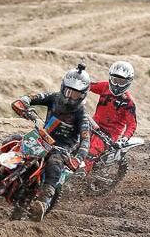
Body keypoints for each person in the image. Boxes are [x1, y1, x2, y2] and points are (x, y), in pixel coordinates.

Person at [10, 64, 92, 221]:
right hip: (42, 137)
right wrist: (23, 101)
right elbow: (34, 97)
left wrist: (78, 158)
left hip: (62, 148)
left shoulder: (82, 115)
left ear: (82, 95)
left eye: (75, 94)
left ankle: (43, 201)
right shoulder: (54, 98)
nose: (70, 97)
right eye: (68, 91)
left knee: (54, 164)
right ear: (63, 87)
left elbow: (86, 140)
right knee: (13, 140)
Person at [86, 61, 137, 171]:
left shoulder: (128, 102)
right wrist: (77, 83)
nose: (117, 84)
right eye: (115, 80)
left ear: (128, 82)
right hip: (93, 124)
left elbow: (132, 125)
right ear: (110, 78)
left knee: (91, 151)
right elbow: (87, 85)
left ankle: (79, 178)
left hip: (109, 134)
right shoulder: (105, 86)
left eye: (121, 82)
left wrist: (124, 139)